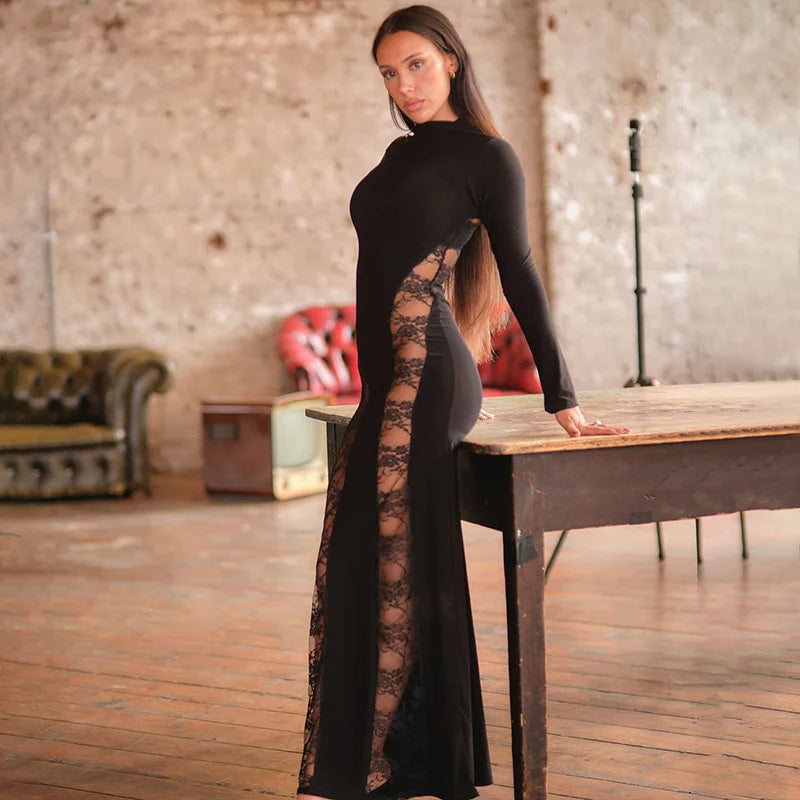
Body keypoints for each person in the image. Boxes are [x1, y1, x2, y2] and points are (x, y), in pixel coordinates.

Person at [296, 6, 629, 800]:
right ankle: (379, 757)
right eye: (386, 72)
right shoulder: (397, 155)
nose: (401, 84)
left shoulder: (490, 157)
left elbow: (519, 272)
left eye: (414, 64)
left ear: (450, 60)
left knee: (391, 555)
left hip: (428, 375)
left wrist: (563, 397)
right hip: (394, 385)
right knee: (360, 555)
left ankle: (383, 762)